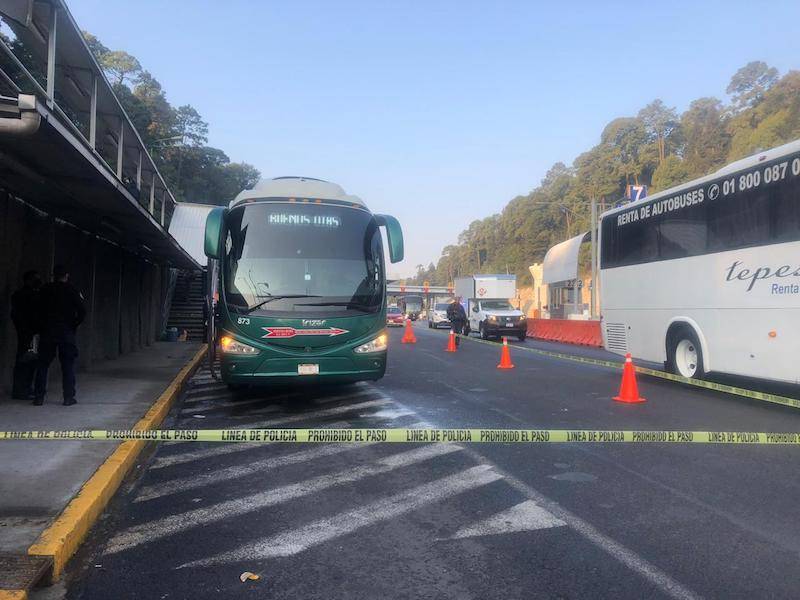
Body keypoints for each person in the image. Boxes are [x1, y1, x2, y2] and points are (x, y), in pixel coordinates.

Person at [33, 265, 86, 406]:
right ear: (66, 275)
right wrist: (73, 325)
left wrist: (41, 327)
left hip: (48, 332)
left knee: (43, 365)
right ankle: (68, 397)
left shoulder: (45, 290)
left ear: (53, 275)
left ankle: (39, 397)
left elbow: (37, 310)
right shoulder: (72, 290)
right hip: (66, 332)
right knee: (68, 365)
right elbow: (82, 311)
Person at [10, 270, 42, 399]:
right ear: (29, 280)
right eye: (35, 279)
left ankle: (21, 389)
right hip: (30, 332)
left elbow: (14, 315)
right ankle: (24, 389)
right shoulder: (32, 296)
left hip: (24, 331)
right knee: (29, 361)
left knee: (24, 360)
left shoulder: (18, 295)